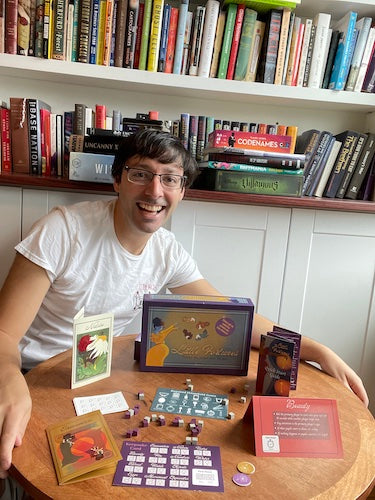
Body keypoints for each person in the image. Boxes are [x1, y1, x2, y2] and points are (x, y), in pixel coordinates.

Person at [0, 129, 369, 486]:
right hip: (35, 376)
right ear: (117, 180)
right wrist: (11, 381)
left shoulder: (167, 249)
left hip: (101, 380)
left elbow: (234, 317)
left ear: (182, 192)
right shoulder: (62, 230)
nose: (154, 191)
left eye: (170, 179)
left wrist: (316, 349)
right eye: (140, 174)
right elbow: (3, 334)